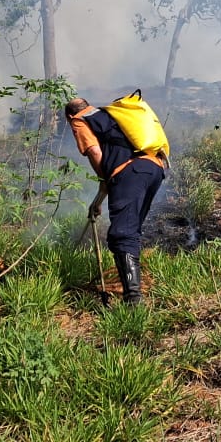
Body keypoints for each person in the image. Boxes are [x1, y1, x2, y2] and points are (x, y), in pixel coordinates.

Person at [65, 96, 165, 305]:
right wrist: (98, 201)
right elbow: (117, 162)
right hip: (153, 167)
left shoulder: (79, 120)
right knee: (130, 229)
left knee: (122, 234)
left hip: (130, 172)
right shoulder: (109, 115)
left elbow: (95, 152)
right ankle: (133, 292)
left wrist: (105, 181)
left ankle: (133, 300)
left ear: (69, 116)